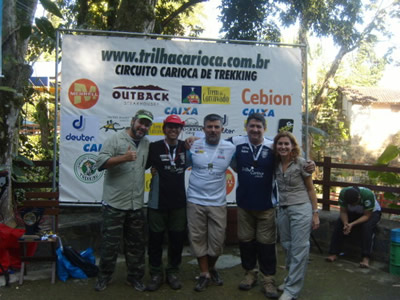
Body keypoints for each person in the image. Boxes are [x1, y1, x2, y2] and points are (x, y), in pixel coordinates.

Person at [94, 109, 153, 292]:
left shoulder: (146, 144)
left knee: (136, 246)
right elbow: (99, 164)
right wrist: (123, 158)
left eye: (146, 124)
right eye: (140, 123)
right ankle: (104, 277)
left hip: (136, 204)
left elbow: (148, 164)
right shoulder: (116, 139)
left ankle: (134, 278)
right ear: (133, 121)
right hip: (114, 204)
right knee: (109, 246)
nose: (142, 127)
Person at [227, 113, 280, 298]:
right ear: (246, 127)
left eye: (259, 126)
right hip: (244, 205)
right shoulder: (236, 142)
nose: (255, 130)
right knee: (246, 242)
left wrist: (309, 165)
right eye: (252, 126)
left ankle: (268, 280)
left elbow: (293, 155)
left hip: (266, 206)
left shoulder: (273, 146)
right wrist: (194, 138)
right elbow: (214, 141)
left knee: (266, 245)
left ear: (264, 128)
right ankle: (250, 274)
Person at [186, 113, 236, 292]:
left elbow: (258, 143)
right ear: (203, 129)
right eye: (209, 127)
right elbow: (179, 164)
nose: (213, 130)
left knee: (217, 241)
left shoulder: (231, 147)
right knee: (197, 238)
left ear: (222, 129)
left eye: (216, 127)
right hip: (195, 200)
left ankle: (212, 266)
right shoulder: (193, 145)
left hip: (218, 202)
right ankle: (205, 273)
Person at [273, 131, 320, 300]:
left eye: (287, 144)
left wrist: (315, 213)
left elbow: (310, 189)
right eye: (280, 144)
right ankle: (289, 280)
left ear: (292, 146)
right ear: (276, 146)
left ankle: (292, 291)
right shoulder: (275, 163)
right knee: (287, 246)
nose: (283, 147)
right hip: (283, 209)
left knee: (299, 249)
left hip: (301, 208)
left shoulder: (302, 164)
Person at [145, 115, 187, 291]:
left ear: (180, 130)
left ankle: (172, 271)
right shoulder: (153, 147)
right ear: (164, 129)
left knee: (177, 240)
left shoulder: (186, 146)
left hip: (178, 202)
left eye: (177, 127)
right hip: (157, 203)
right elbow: (142, 166)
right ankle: (156, 273)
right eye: (170, 126)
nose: (173, 130)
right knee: (155, 240)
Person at [326, 186, 381, 268]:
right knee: (339, 224)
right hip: (353, 212)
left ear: (359, 197)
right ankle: (333, 253)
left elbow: (367, 216)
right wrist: (346, 223)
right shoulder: (343, 193)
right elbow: (343, 211)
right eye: (351, 204)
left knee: (367, 227)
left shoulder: (367, 195)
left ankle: (366, 257)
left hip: (371, 213)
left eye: (355, 203)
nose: (353, 205)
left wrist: (352, 224)